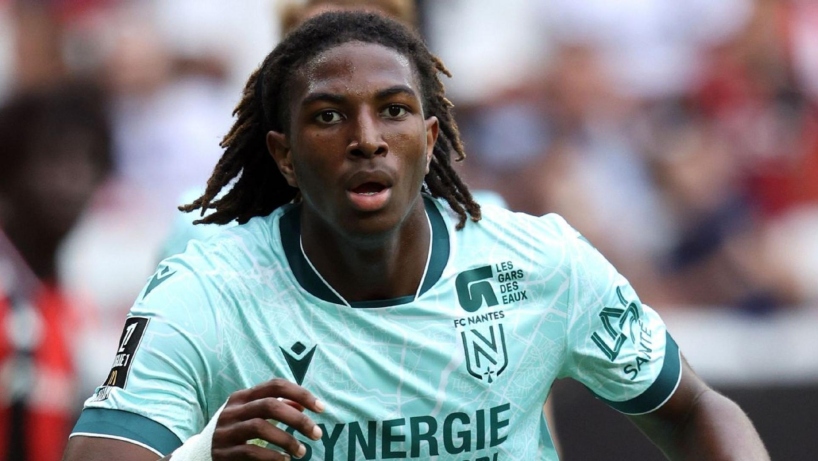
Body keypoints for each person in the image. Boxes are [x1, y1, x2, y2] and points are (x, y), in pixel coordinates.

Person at [63, 11, 768, 461]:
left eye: (394, 110)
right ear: (283, 154)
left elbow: (695, 407)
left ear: (430, 140)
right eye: (329, 115)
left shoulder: (538, 263)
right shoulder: (209, 286)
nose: (367, 139)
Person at [0, 80, 112, 461]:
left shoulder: (71, 302)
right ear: (11, 169)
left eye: (89, 161)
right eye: (54, 159)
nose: (74, 180)